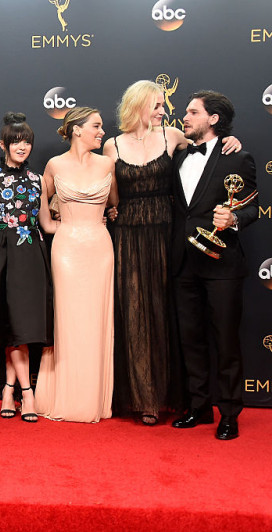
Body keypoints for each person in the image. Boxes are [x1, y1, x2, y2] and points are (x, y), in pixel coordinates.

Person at [102, 81, 242, 425]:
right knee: (134, 313)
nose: (165, 111)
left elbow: (207, 147)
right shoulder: (111, 145)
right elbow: (112, 198)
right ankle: (142, 398)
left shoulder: (173, 136)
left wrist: (231, 139)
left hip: (168, 235)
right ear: (138, 106)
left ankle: (174, 398)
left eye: (165, 106)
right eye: (158, 105)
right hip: (128, 236)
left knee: (168, 316)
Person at [170, 91, 258, 441]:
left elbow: (252, 208)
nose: (185, 118)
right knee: (190, 339)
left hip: (222, 264)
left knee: (225, 340)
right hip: (182, 262)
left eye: (193, 112)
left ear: (214, 119)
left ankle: (230, 413)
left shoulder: (239, 157)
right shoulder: (177, 156)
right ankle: (199, 406)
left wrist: (233, 217)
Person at [34, 107, 118, 423]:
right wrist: (64, 227)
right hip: (67, 250)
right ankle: (64, 395)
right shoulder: (55, 165)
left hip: (100, 248)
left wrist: (99, 221)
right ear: (76, 129)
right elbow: (43, 215)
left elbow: (115, 205)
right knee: (67, 322)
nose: (101, 131)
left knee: (96, 321)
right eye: (96, 126)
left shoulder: (107, 163)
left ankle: (93, 398)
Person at [0, 113, 52, 422]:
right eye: (16, 141)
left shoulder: (38, 180)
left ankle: (8, 389)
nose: (23, 147)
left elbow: (45, 223)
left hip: (31, 256)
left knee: (20, 327)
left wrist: (86, 220)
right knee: (11, 326)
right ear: (3, 144)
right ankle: (26, 394)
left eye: (27, 141)